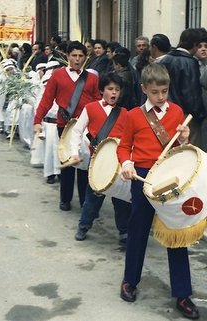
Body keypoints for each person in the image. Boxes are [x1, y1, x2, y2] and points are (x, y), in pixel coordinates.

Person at [116, 63, 197, 319]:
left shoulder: (178, 112)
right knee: (138, 232)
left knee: (176, 234)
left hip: (170, 178)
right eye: (155, 92)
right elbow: (123, 146)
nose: (161, 96)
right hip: (142, 178)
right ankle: (130, 281)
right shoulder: (133, 115)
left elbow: (182, 149)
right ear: (144, 89)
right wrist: (127, 164)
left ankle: (183, 294)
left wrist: (185, 138)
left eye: (164, 91)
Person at [34, 41, 102, 212]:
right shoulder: (57, 76)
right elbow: (47, 100)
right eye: (74, 55)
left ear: (85, 58)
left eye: (80, 56)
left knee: (84, 163)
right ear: (67, 56)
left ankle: (84, 201)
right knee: (66, 162)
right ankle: (65, 199)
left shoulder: (92, 78)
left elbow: (97, 102)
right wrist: (37, 120)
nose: (77, 59)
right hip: (64, 125)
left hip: (86, 126)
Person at [71, 73, 131, 245]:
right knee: (93, 197)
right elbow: (76, 131)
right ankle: (83, 226)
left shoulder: (124, 113)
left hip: (118, 162)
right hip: (96, 162)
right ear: (101, 91)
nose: (114, 93)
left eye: (117, 90)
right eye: (110, 89)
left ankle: (124, 231)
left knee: (120, 198)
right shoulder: (90, 108)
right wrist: (75, 152)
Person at [161, 28, 206, 149]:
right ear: (195, 45)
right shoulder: (190, 63)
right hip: (186, 115)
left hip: (165, 111)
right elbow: (191, 93)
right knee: (189, 148)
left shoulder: (164, 60)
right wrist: (200, 114)